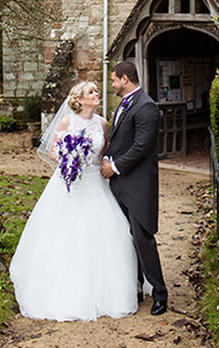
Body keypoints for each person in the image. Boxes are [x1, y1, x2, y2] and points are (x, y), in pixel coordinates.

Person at [9, 81, 138, 321]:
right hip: (70, 183)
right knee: (67, 234)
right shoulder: (67, 122)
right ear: (79, 99)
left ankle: (111, 293)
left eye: (97, 91)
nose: (96, 94)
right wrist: (71, 157)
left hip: (95, 183)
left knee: (110, 233)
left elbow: (105, 150)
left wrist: (99, 163)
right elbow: (52, 152)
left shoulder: (102, 123)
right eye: (91, 92)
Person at [100, 60, 168, 316]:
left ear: (125, 79)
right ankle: (136, 288)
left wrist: (113, 166)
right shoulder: (125, 104)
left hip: (138, 185)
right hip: (120, 185)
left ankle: (160, 294)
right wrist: (106, 157)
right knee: (127, 239)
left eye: (114, 80)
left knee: (143, 239)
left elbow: (141, 147)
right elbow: (120, 140)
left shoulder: (147, 107)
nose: (113, 84)